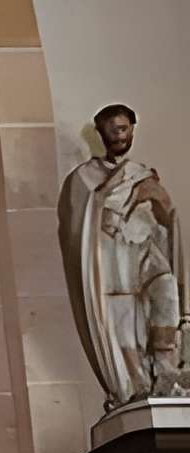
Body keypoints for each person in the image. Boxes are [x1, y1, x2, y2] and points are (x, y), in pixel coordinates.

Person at [57, 103, 188, 408]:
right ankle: (135, 387)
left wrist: (155, 197)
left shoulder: (142, 172)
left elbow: (166, 219)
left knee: (166, 290)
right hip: (111, 266)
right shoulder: (85, 176)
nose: (118, 135)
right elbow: (81, 223)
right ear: (100, 132)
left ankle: (166, 370)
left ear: (132, 130)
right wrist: (121, 184)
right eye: (112, 129)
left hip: (143, 250)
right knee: (124, 326)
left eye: (124, 128)